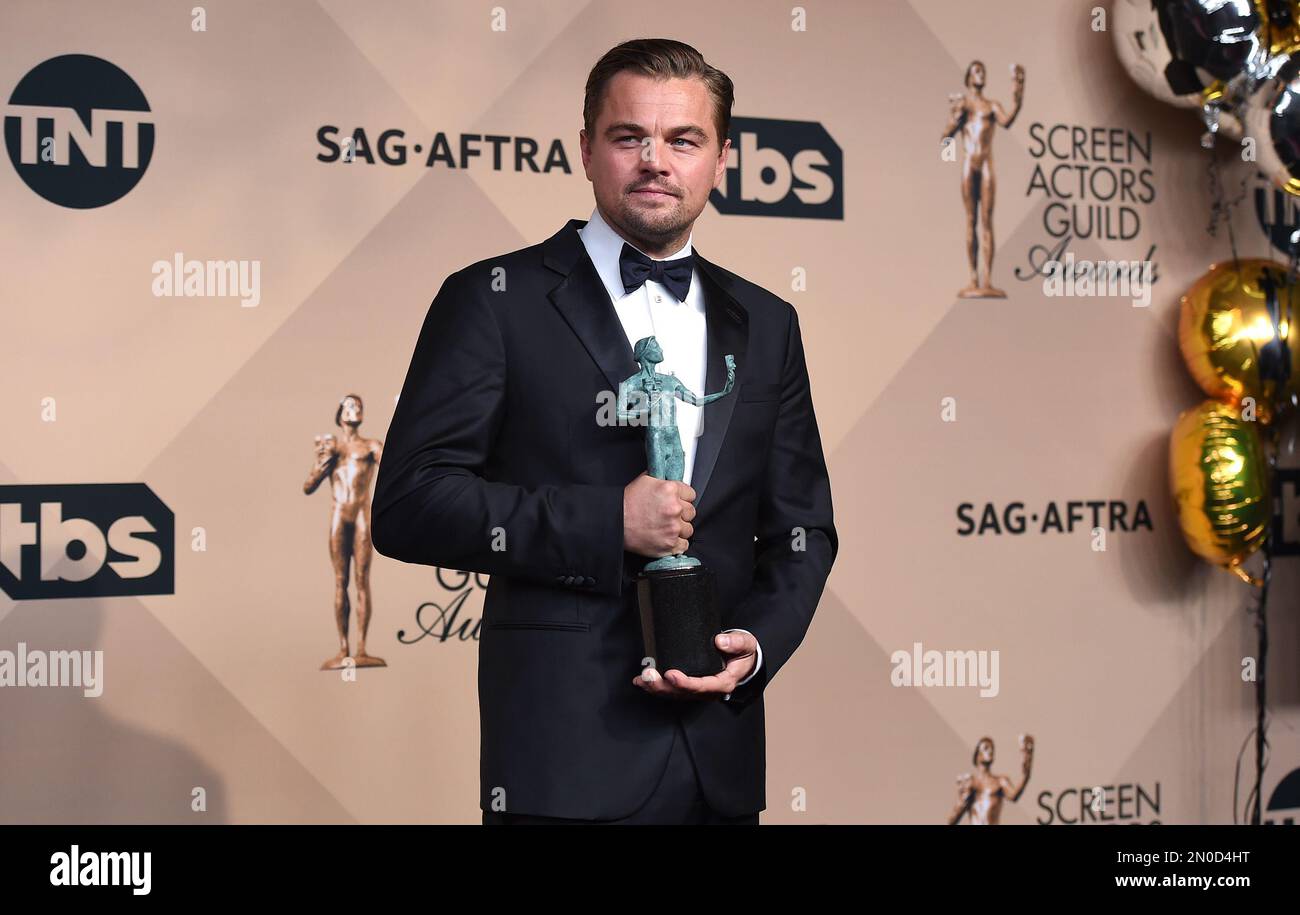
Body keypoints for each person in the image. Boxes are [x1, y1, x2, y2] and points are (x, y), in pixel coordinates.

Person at [372, 37, 837, 824]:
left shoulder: (768, 321)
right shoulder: (495, 298)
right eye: (630, 138)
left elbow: (804, 528)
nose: (656, 160)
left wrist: (751, 648)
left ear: (721, 158)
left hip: (717, 767)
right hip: (561, 765)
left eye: (683, 140)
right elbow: (410, 502)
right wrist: (606, 520)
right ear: (587, 151)